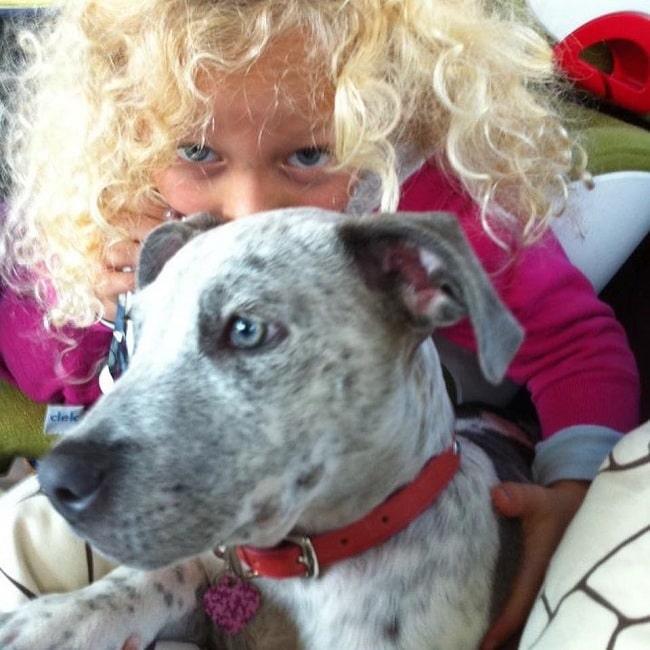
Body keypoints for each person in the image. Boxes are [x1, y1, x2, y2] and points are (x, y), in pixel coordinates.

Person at [0, 1, 639, 648]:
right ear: (135, 137)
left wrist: (580, 495)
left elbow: (572, 345)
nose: (247, 209)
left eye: (308, 154)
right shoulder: (143, 216)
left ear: (384, 119)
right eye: (198, 151)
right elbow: (54, 372)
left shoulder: (429, 209)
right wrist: (107, 301)